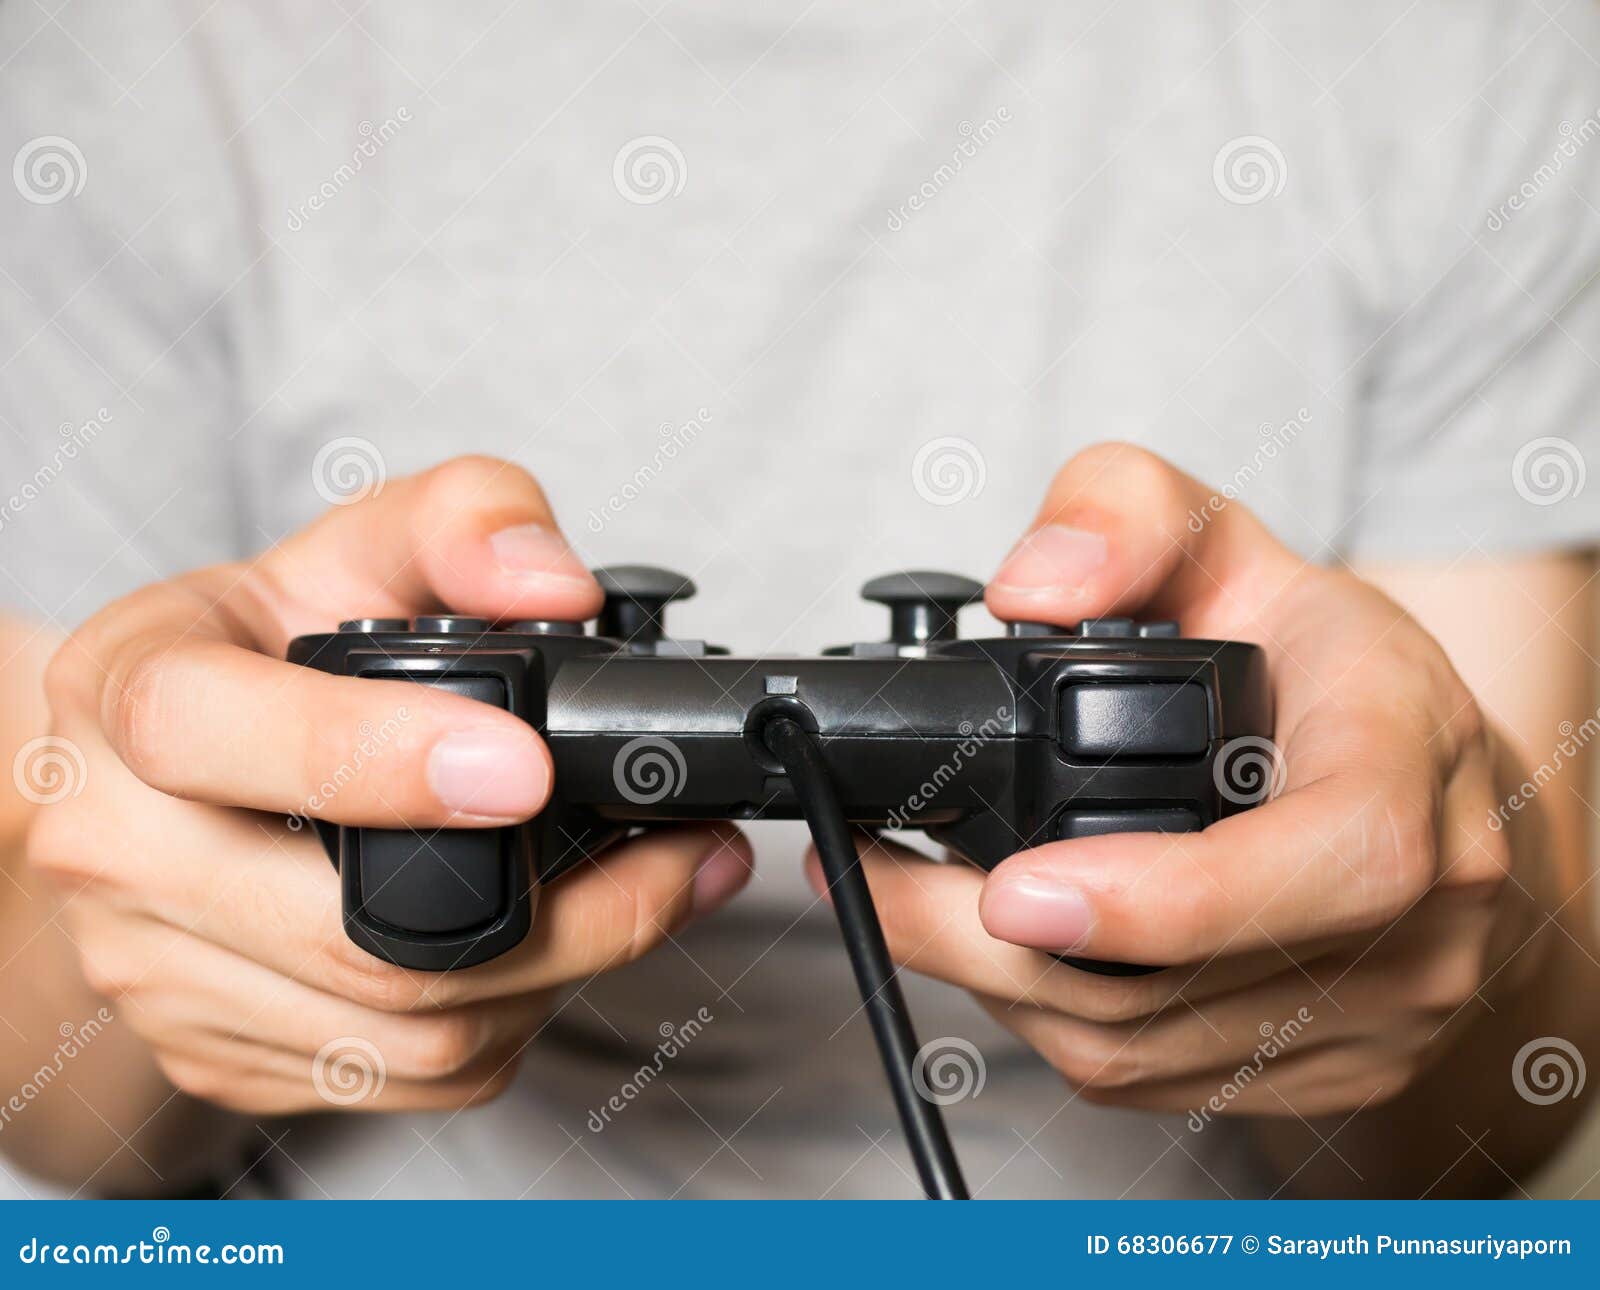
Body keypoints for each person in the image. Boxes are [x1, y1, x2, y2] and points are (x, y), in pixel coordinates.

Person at [1, 1, 1598, 1200]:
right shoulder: (133, 51)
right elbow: (54, 1109)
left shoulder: (1463, 41)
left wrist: (1442, 928)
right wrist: (143, 947)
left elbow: (1491, 1128)